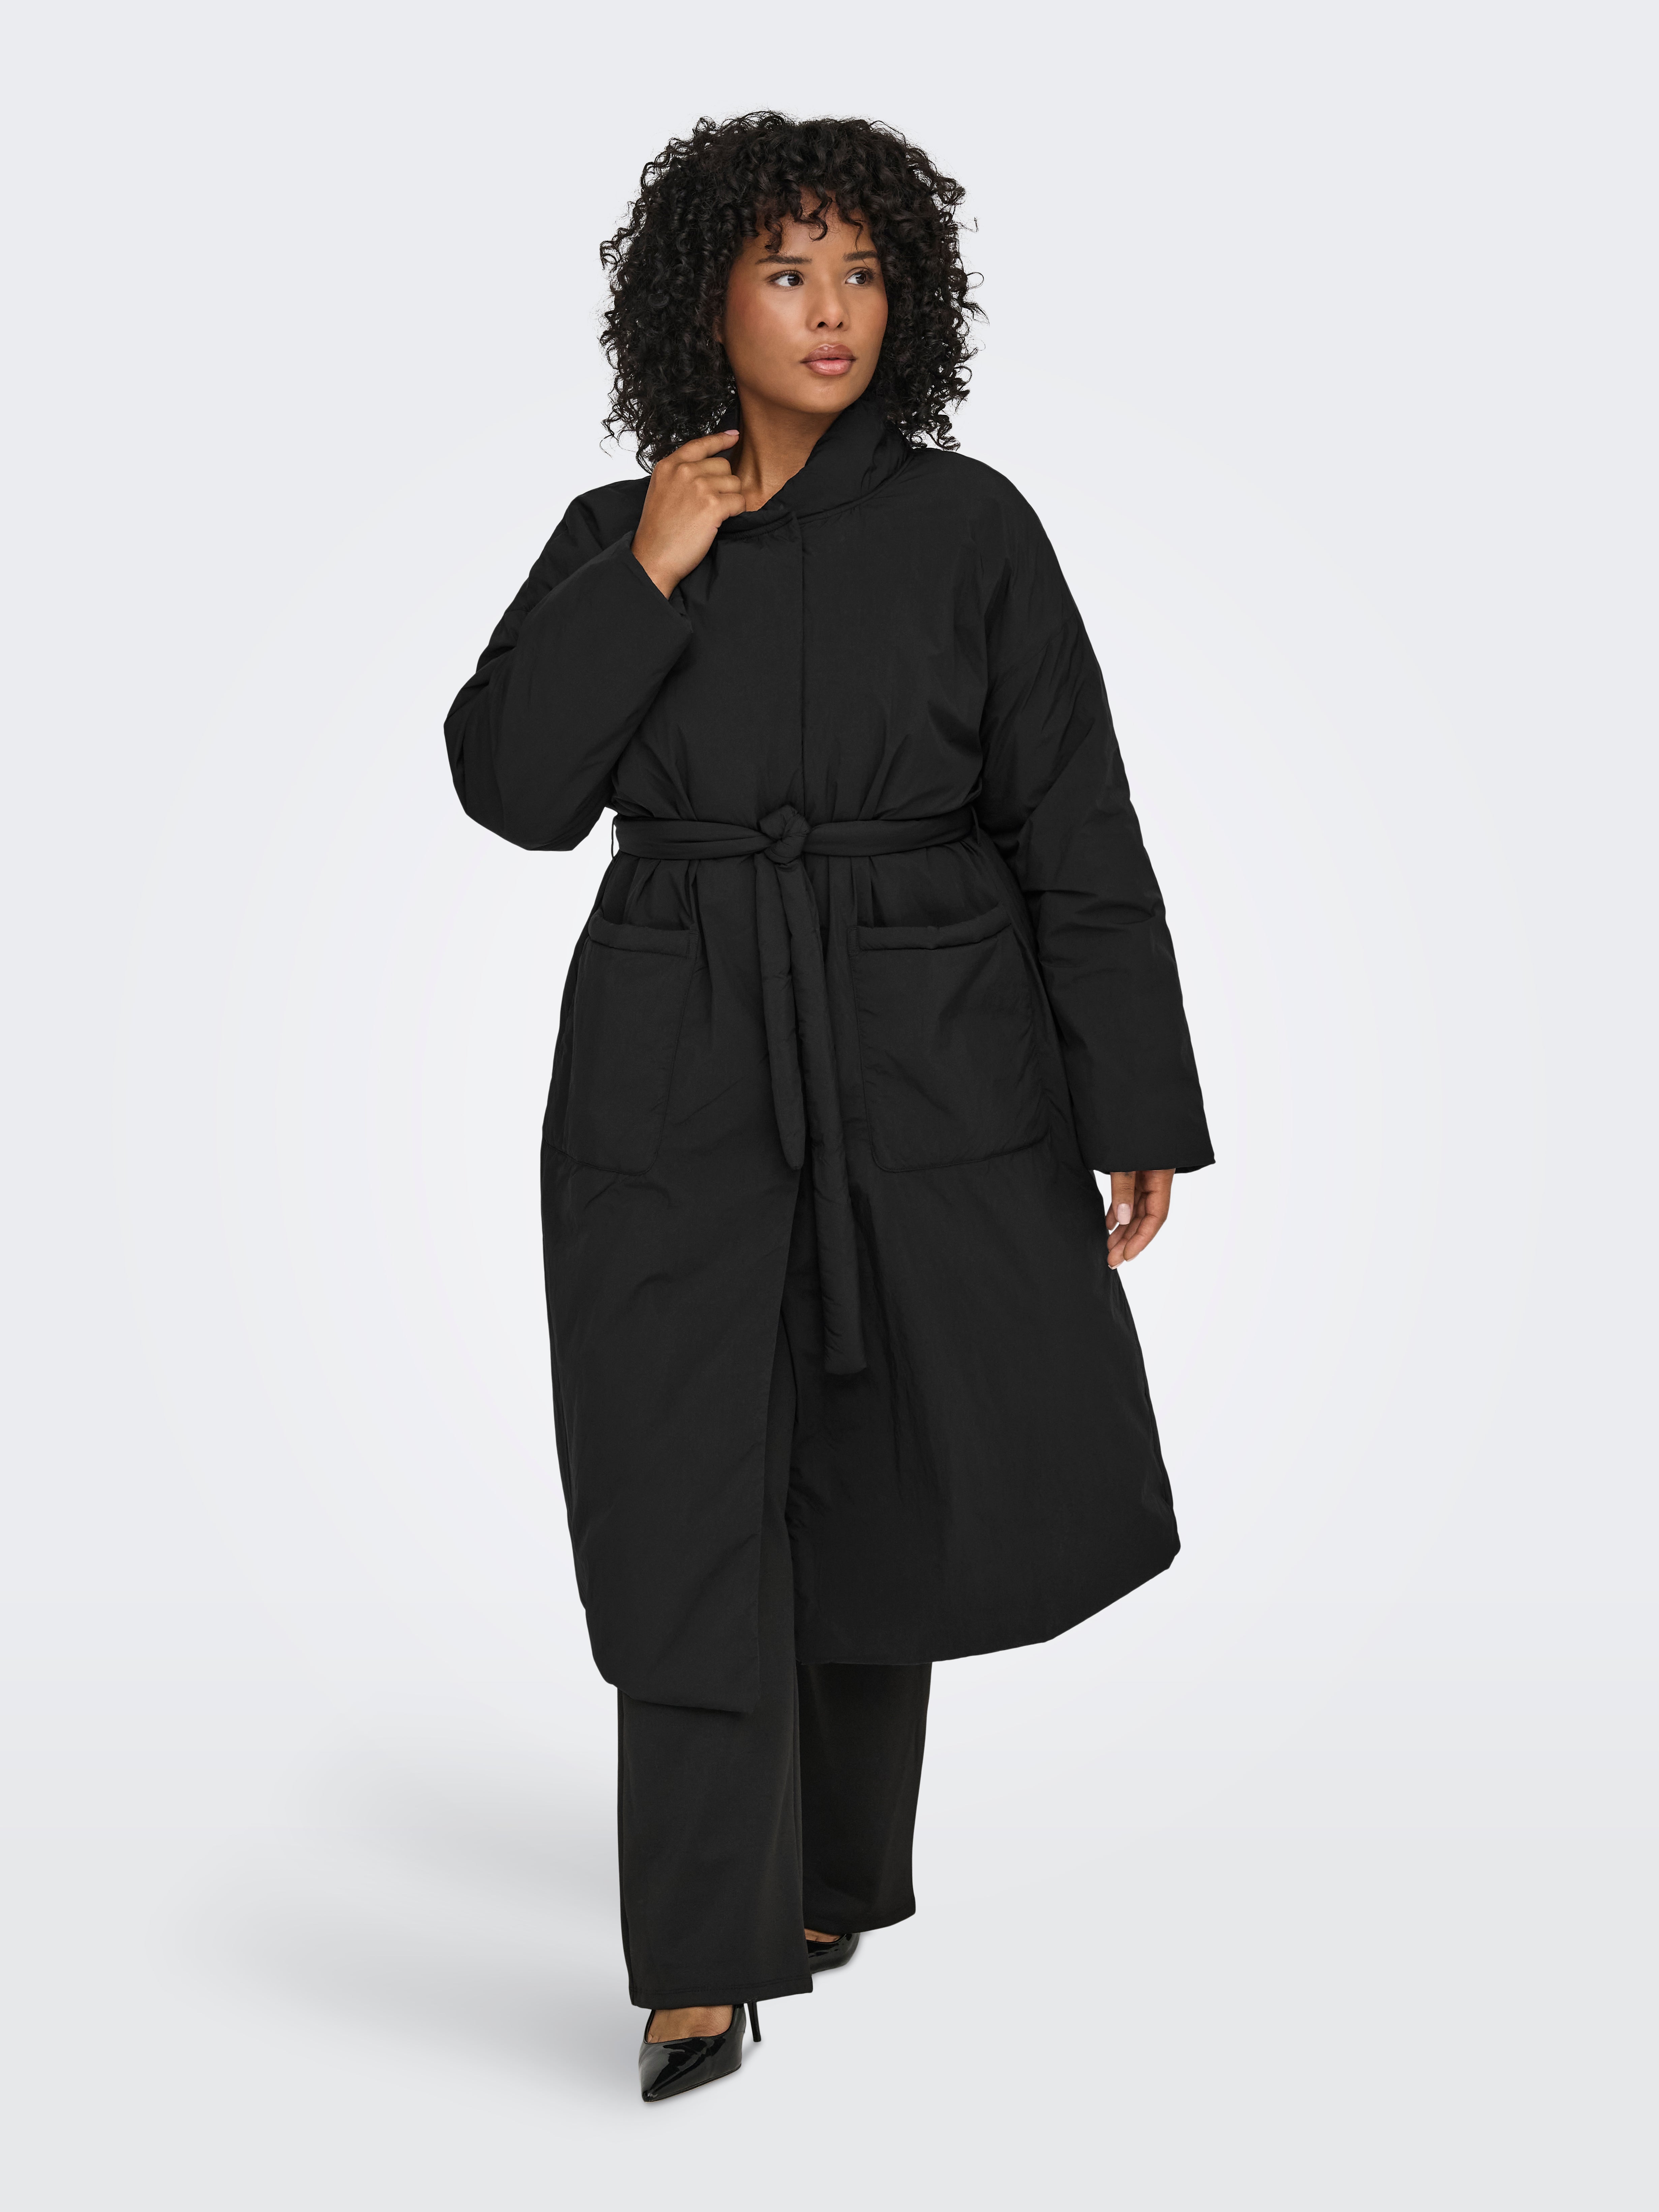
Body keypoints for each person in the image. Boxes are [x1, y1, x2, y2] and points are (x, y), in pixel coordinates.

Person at [444, 111, 1212, 2102]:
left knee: (885, 1447)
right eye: (787, 271)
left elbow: (1076, 821)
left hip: (930, 1034)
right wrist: (650, 571)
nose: (832, 310)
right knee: (684, 1481)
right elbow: (514, 789)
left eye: (863, 271)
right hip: (677, 1041)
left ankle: (832, 1877)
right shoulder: (621, 525)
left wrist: (1127, 1088)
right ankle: (700, 1956)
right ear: (702, 300)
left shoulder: (973, 530)